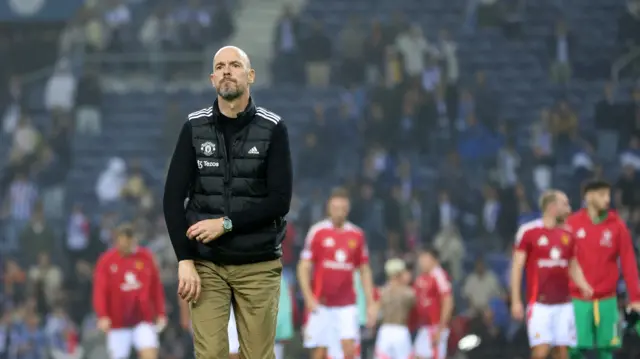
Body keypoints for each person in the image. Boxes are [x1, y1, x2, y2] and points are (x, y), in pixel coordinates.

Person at [162, 45, 293, 359]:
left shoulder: (274, 128)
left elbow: (279, 201)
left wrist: (226, 223)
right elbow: (171, 199)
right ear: (211, 78)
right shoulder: (193, 128)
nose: (226, 71)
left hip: (258, 263)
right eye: (220, 66)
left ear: (250, 75)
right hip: (206, 265)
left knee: (258, 356)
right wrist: (184, 259)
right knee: (210, 355)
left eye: (234, 65)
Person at [510, 190, 593, 359]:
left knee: (562, 353)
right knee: (541, 351)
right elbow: (517, 268)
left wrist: (585, 286)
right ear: (552, 207)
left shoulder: (568, 234)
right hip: (539, 305)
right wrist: (515, 300)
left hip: (564, 304)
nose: (569, 209)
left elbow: (573, 265)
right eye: (565, 204)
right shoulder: (528, 232)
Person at [297, 188, 376, 359]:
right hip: (321, 303)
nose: (339, 211)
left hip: (347, 304)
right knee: (319, 352)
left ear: (348, 209)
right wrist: (308, 296)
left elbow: (364, 269)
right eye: (335, 207)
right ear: (329, 208)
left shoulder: (357, 234)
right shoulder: (317, 232)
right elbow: (304, 266)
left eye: (342, 207)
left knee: (349, 350)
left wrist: (370, 303)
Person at [566, 180, 640, 359]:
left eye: (608, 194)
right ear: (588, 197)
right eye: (601, 195)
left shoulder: (617, 226)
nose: (607, 199)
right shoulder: (572, 224)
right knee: (574, 350)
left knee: (606, 351)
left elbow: (629, 264)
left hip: (607, 298)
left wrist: (636, 298)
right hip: (578, 299)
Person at [92, 224, 167, 359]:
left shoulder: (146, 257)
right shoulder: (106, 261)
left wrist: (160, 312)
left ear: (133, 240)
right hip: (117, 322)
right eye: (122, 242)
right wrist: (102, 315)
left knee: (150, 354)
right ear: (116, 241)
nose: (125, 246)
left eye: (128, 242)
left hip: (143, 318)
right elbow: (100, 291)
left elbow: (156, 287)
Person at [413, 248, 454, 359]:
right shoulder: (422, 277)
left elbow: (447, 301)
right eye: (420, 259)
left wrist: (440, 329)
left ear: (434, 260)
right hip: (424, 327)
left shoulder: (439, 275)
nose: (421, 262)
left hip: (435, 327)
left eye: (424, 258)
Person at [373, 258, 416, 359]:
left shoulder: (382, 292)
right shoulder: (408, 293)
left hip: (384, 331)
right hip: (400, 331)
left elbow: (375, 314)